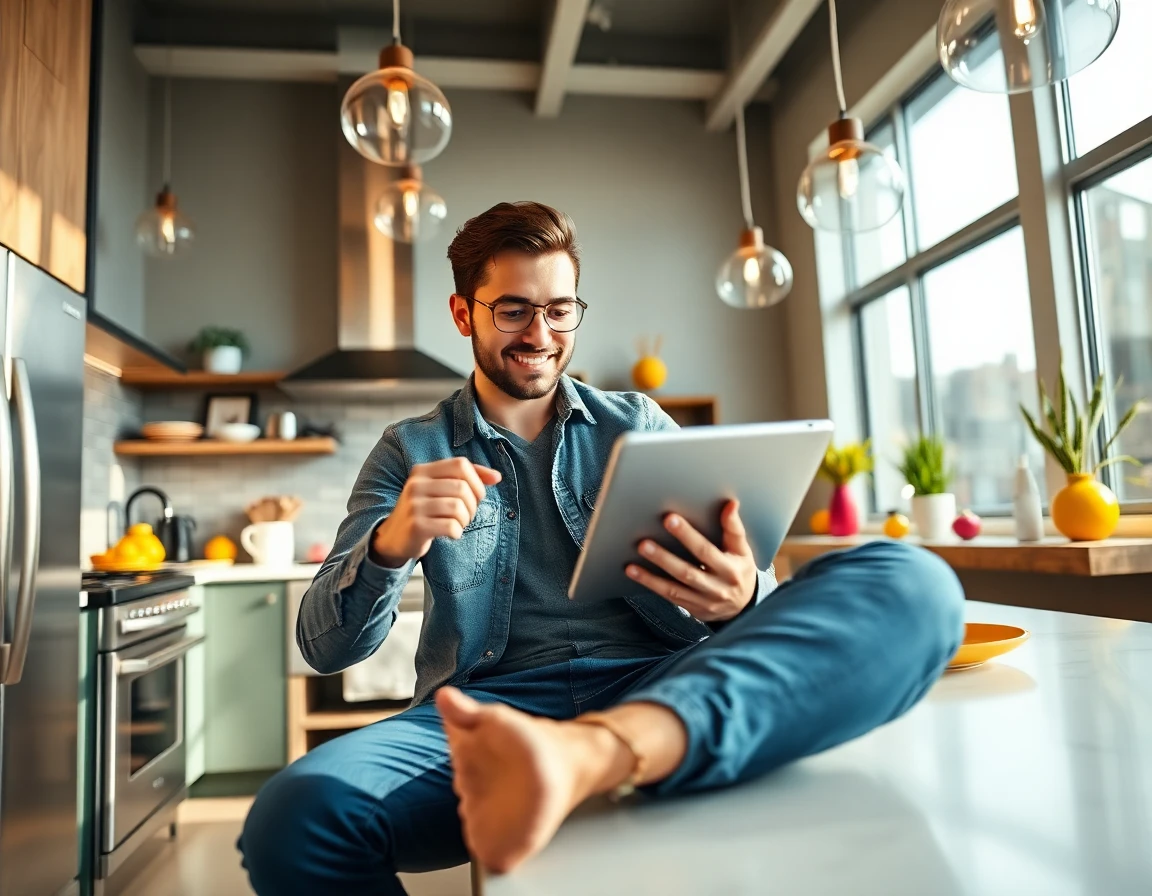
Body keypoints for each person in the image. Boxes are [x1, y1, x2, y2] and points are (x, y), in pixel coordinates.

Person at [239, 201, 964, 894]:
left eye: (560, 310)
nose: (541, 333)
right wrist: (391, 545)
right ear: (464, 313)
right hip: (487, 716)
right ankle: (573, 759)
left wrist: (742, 597)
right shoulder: (409, 450)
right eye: (513, 309)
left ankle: (589, 756)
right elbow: (322, 648)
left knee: (914, 583)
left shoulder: (637, 422)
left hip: (662, 685)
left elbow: (754, 601)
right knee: (291, 820)